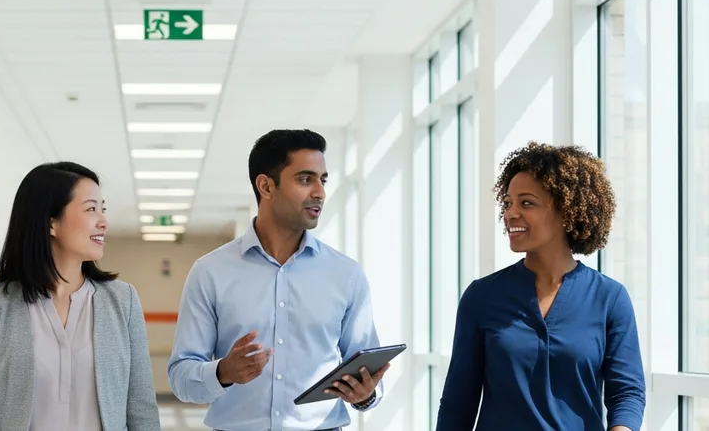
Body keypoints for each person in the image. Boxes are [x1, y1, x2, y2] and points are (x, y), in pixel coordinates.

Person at [167, 129, 389, 431]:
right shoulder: (210, 272)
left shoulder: (346, 274)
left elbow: (367, 369)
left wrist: (365, 395)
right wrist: (223, 372)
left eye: (322, 180)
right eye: (305, 179)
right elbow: (182, 376)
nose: (320, 192)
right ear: (266, 186)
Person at [435, 142, 646, 431]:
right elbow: (458, 401)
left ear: (566, 209)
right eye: (508, 203)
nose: (510, 214)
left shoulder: (609, 298)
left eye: (527, 203)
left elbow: (627, 391)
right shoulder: (481, 296)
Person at [0, 161, 161, 431]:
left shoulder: (123, 301)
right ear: (51, 223)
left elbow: (142, 408)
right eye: (91, 209)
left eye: (103, 209)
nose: (103, 221)